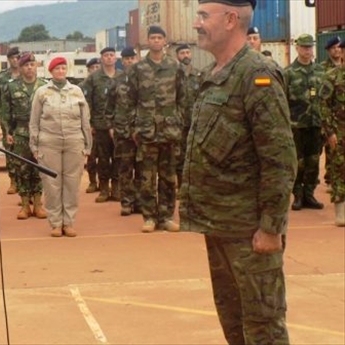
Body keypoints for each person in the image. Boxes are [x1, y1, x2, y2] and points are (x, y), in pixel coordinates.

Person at [181, 0, 297, 343]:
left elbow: (279, 158)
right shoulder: (214, 74)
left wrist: (271, 227)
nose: (196, 24)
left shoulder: (257, 75)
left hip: (250, 232)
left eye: (204, 16)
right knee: (233, 322)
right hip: (219, 225)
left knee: (264, 329)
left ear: (231, 19)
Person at [119, 25, 185, 233]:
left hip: (169, 131)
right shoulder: (138, 69)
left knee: (168, 177)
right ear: (148, 41)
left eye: (160, 37)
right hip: (146, 132)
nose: (156, 41)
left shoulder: (175, 66)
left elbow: (183, 99)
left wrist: (179, 122)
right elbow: (129, 101)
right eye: (153, 38)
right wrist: (133, 127)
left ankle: (166, 216)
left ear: (165, 41)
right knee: (146, 178)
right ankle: (149, 217)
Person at [30, 57, 92, 237]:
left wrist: (87, 145)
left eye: (63, 68)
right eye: (57, 68)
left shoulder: (76, 91)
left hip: (74, 140)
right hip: (49, 141)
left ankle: (69, 222)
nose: (60, 71)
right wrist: (34, 145)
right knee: (52, 184)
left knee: (72, 183)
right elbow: (34, 121)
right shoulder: (42, 92)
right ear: (51, 72)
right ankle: (56, 223)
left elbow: (85, 120)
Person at [2, 53, 48, 220]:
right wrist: (7, 131)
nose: (30, 67)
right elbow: (5, 112)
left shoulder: (44, 87)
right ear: (20, 68)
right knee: (22, 169)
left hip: (41, 133)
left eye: (32, 64)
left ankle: (38, 204)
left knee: (38, 168)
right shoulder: (11, 87)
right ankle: (24, 206)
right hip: (20, 132)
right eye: (26, 65)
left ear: (36, 66)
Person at [284, 34, 326, 211]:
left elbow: (325, 98)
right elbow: (283, 101)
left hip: (315, 124)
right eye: (304, 47)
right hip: (296, 126)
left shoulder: (320, 71)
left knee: (313, 162)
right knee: (297, 162)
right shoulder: (288, 73)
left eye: (310, 47)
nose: (307, 51)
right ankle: (298, 195)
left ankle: (309, 194)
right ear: (297, 48)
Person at [81, 47, 122, 204]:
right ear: (101, 59)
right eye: (106, 56)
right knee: (103, 159)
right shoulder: (94, 78)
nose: (109, 58)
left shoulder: (123, 76)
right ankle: (104, 189)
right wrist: (89, 123)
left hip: (119, 125)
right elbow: (87, 102)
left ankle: (116, 188)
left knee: (118, 158)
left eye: (112, 55)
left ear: (115, 58)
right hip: (100, 125)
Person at [319, 40, 345, 227]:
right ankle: (341, 210)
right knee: (339, 171)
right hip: (339, 131)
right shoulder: (332, 77)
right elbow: (323, 106)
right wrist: (329, 132)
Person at [114, 46, 142, 216]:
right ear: (122, 61)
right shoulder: (116, 80)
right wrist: (112, 126)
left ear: (136, 59)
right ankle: (126, 202)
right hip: (123, 131)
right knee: (125, 168)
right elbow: (110, 105)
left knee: (142, 168)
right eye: (126, 58)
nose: (129, 61)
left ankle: (139, 202)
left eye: (132, 58)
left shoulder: (145, 78)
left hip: (141, 131)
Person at [0, 47, 21, 195]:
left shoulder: (27, 74)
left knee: (26, 150)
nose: (16, 60)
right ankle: (13, 180)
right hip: (7, 119)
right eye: (13, 57)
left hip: (23, 118)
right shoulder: (1, 78)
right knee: (10, 149)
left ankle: (24, 182)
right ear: (8, 60)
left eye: (18, 57)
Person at [175, 44, 202, 190]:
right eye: (182, 53)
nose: (185, 55)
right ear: (177, 56)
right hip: (178, 122)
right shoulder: (173, 75)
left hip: (194, 121)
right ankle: (181, 185)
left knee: (194, 154)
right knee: (179, 155)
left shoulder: (199, 75)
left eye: (187, 52)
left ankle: (194, 186)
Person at [82, 57, 102, 194]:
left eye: (97, 67)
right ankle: (92, 182)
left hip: (104, 125)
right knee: (91, 155)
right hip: (90, 126)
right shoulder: (83, 86)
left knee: (105, 156)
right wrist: (88, 125)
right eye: (92, 68)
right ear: (88, 70)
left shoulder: (106, 83)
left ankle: (104, 182)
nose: (95, 70)